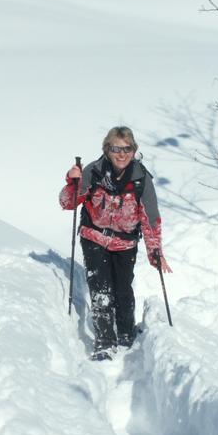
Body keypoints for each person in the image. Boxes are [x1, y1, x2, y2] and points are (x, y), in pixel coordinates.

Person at [59, 126, 172, 361]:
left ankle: (126, 334)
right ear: (107, 150)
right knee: (101, 290)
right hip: (94, 237)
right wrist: (73, 182)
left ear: (134, 150)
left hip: (125, 244)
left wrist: (155, 251)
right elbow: (68, 203)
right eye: (116, 149)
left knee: (123, 291)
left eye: (127, 148)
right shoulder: (94, 171)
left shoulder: (141, 179)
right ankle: (105, 342)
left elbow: (151, 218)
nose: (122, 154)